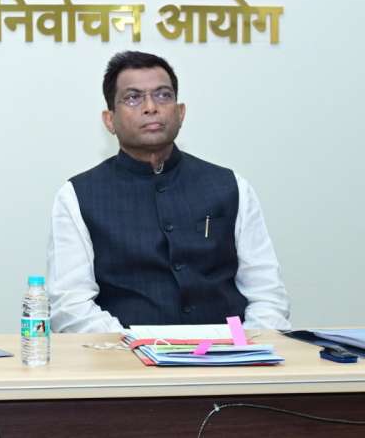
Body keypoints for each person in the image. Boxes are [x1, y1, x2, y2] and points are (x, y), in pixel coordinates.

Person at [47, 51, 289, 332]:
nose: (151, 107)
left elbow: (267, 294)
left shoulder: (231, 186)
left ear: (181, 112)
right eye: (133, 97)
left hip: (229, 352)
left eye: (163, 95)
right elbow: (71, 305)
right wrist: (131, 345)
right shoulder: (77, 196)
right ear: (109, 120)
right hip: (123, 354)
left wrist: (244, 346)